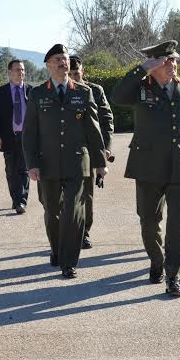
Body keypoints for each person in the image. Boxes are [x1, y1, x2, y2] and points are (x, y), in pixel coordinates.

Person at [111, 40, 180, 297]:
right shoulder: (140, 88)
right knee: (149, 221)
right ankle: (156, 261)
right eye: (165, 62)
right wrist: (141, 68)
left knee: (177, 225)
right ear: (153, 65)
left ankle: (173, 274)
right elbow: (117, 96)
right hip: (148, 166)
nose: (172, 65)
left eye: (174, 61)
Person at [23, 44, 108, 279]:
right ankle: (57, 249)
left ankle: (70, 261)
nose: (63, 62)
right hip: (47, 163)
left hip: (77, 162)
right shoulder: (38, 94)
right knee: (52, 212)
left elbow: (93, 130)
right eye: (58, 59)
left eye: (66, 59)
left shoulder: (83, 92)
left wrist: (101, 162)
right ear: (49, 65)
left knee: (74, 212)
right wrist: (32, 164)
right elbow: (29, 133)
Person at [68, 54, 114, 249]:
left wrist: (104, 151)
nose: (72, 77)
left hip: (86, 151)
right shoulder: (56, 91)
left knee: (85, 195)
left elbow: (106, 120)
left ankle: (84, 231)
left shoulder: (94, 90)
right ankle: (66, 231)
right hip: (61, 151)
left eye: (76, 73)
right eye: (69, 73)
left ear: (82, 71)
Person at [0, 59, 33, 214]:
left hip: (27, 137)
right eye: (17, 70)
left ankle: (21, 201)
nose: (20, 73)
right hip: (8, 137)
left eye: (22, 70)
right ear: (9, 72)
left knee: (25, 170)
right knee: (11, 171)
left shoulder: (32, 92)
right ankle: (16, 198)